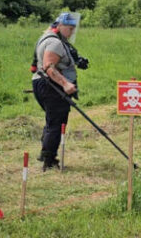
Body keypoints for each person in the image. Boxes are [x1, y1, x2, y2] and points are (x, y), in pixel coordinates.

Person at [31, 12, 89, 171]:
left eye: (73, 29)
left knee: (52, 120)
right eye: (70, 29)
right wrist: (65, 84)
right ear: (60, 26)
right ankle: (49, 161)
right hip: (52, 86)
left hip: (43, 84)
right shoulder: (55, 43)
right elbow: (49, 67)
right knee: (57, 122)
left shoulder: (47, 37)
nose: (71, 33)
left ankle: (45, 153)